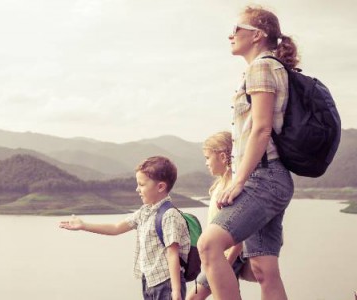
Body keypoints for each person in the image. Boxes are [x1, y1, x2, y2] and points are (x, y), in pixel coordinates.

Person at [197, 5, 297, 300]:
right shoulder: (267, 67)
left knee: (208, 245)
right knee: (264, 270)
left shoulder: (262, 67)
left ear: (257, 35)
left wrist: (239, 181)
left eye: (237, 29)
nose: (231, 35)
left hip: (263, 178)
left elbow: (261, 129)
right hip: (272, 177)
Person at [60, 156, 191, 300]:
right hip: (149, 281)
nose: (137, 189)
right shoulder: (144, 212)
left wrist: (176, 291)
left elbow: (172, 254)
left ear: (160, 187)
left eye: (141, 184)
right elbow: (116, 228)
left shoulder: (170, 215)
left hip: (166, 284)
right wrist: (84, 225)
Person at [187, 131, 254, 300]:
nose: (206, 163)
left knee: (193, 297)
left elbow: (240, 227)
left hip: (227, 255)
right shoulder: (221, 185)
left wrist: (228, 260)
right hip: (218, 255)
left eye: (207, 157)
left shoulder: (233, 186)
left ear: (223, 157)